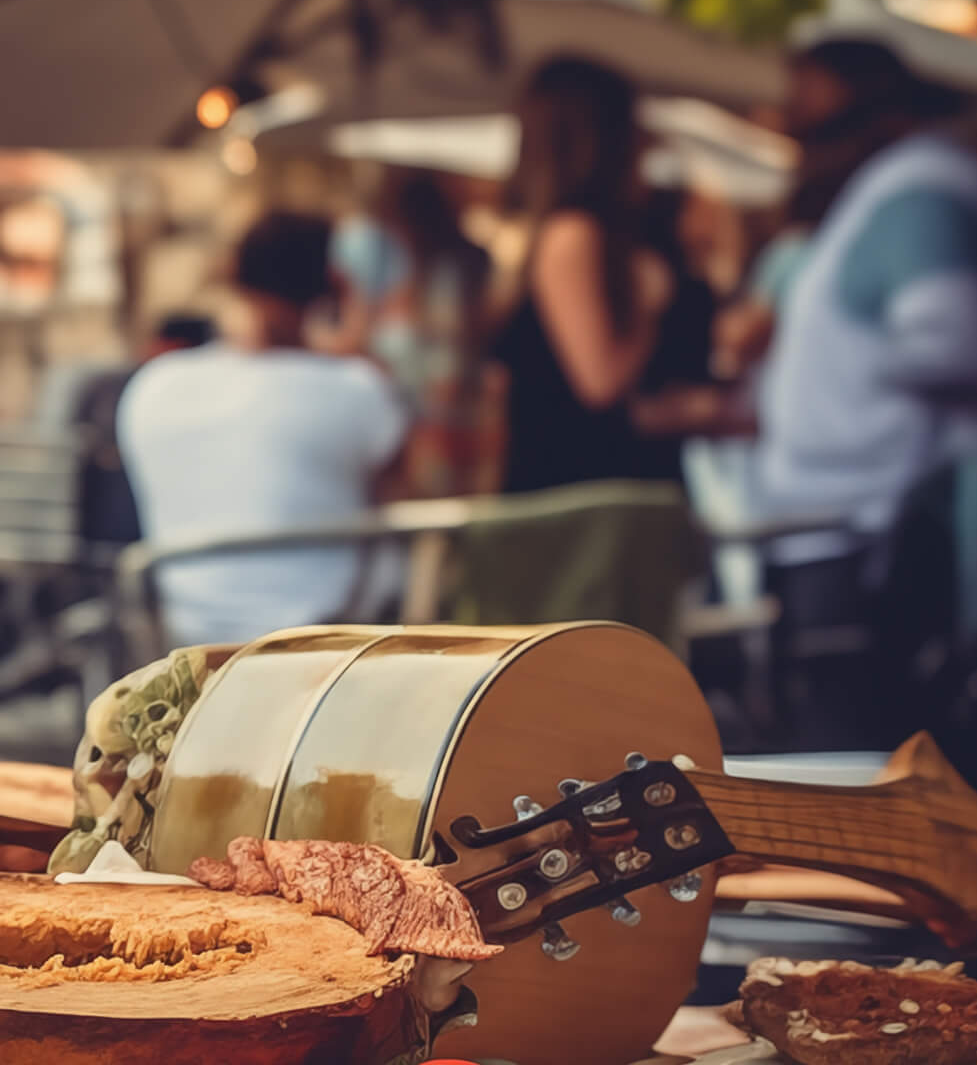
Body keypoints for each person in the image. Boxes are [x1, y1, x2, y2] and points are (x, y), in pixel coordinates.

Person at [749, 39, 977, 746]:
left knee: (880, 743)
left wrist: (847, 380)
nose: (790, 126)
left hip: (891, 515)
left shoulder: (922, 191)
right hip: (859, 510)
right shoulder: (901, 187)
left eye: (807, 109)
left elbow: (955, 342)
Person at [117, 213, 410, 645]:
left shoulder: (153, 386)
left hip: (188, 646)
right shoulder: (359, 390)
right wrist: (357, 331)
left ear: (233, 276)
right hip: (327, 652)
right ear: (333, 284)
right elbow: (400, 495)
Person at [490, 56, 684, 494]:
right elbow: (601, 382)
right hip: (584, 498)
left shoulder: (564, 230)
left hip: (588, 491)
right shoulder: (574, 234)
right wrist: (650, 303)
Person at [329, 169, 492, 496]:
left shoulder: (448, 273)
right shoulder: (418, 269)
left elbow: (449, 358)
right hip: (426, 418)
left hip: (438, 421)